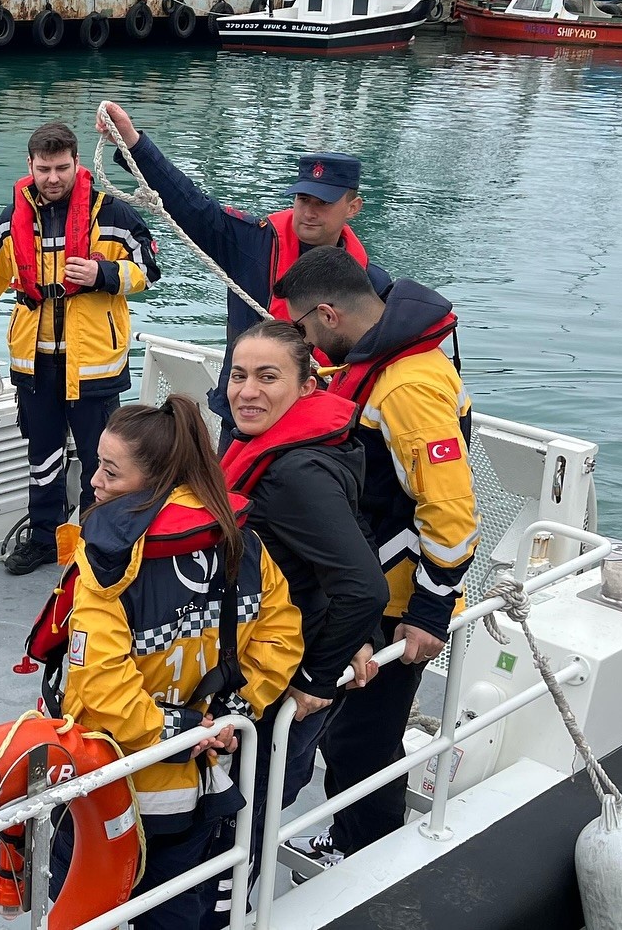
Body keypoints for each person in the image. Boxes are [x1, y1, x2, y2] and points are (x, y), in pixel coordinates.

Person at [59, 398, 302, 929]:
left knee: (78, 904)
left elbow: (100, 686)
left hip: (112, 784)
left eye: (110, 470)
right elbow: (281, 638)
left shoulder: (108, 564)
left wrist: (185, 730)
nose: (95, 481)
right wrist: (228, 715)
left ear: (155, 478)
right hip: (198, 785)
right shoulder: (245, 547)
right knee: (175, 907)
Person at [274, 246, 478, 867]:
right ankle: (354, 840)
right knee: (353, 734)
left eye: (305, 331)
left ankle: (368, 859)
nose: (307, 348)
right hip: (366, 588)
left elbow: (450, 513)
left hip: (395, 603)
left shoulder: (409, 387)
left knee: (364, 743)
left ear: (330, 315)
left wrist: (429, 612)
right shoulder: (381, 361)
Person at [201, 319, 388, 922]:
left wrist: (315, 678)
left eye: (268, 377)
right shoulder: (303, 449)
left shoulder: (293, 473)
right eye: (238, 375)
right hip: (278, 648)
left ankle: (224, 909)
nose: (246, 391)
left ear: (309, 386)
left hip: (278, 680)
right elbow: (351, 536)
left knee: (241, 819)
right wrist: (358, 636)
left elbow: (364, 584)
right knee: (261, 802)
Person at [95, 102, 391, 439]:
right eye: (303, 200)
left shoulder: (371, 283)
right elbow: (191, 206)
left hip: (321, 426)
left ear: (353, 207)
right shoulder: (253, 243)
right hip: (244, 419)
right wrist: (133, 142)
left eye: (322, 204)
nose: (309, 212)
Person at [0, 121, 161, 575]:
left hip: (93, 366)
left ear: (76, 164)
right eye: (43, 168)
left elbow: (149, 269)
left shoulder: (113, 215)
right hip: (35, 365)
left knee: (102, 461)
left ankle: (98, 545)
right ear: (29, 166)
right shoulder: (11, 222)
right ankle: (44, 539)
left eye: (61, 168)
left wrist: (105, 275)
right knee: (42, 456)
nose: (52, 178)